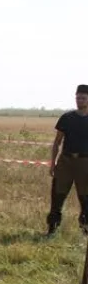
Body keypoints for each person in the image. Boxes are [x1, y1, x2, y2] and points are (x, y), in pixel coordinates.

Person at [46, 85, 88, 236]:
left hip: (85, 163)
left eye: (83, 98)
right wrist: (53, 162)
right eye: (78, 97)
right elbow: (57, 142)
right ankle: (52, 229)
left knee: (86, 200)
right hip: (66, 162)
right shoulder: (67, 118)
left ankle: (85, 231)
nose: (80, 100)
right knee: (57, 196)